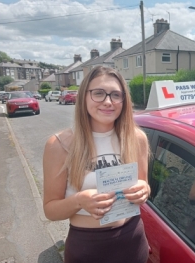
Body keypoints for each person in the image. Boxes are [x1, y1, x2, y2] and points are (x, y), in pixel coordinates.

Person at [43, 66, 150, 263]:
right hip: (87, 248)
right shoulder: (59, 145)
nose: (108, 102)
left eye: (116, 95)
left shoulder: (137, 138)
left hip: (133, 240)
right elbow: (50, 210)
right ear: (84, 96)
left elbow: (143, 184)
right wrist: (79, 201)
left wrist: (144, 189)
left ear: (124, 101)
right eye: (98, 93)